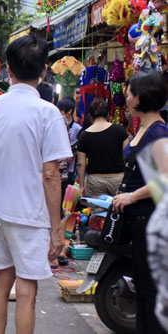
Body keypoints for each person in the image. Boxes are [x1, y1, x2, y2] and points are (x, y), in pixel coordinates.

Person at [0, 34, 72, 334]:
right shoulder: (47, 113)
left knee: (2, 284)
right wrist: (57, 228)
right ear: (44, 72)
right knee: (27, 290)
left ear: (8, 71)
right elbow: (51, 174)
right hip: (28, 215)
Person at [112, 71, 168, 334]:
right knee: (144, 288)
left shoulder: (158, 132)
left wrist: (131, 196)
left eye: (130, 93)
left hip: (151, 219)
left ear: (142, 97)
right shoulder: (143, 128)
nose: (126, 98)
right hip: (138, 220)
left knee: (151, 290)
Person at [77, 98, 129, 198]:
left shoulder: (84, 135)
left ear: (90, 116)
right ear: (108, 114)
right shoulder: (119, 130)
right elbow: (127, 156)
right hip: (118, 178)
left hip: (95, 180)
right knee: (120, 210)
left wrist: (81, 186)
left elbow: (81, 163)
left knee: (98, 212)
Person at [57, 96, 82, 186]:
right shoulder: (56, 126)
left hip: (70, 170)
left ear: (69, 111)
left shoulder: (77, 128)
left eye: (61, 110)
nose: (59, 113)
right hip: (57, 168)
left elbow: (80, 147)